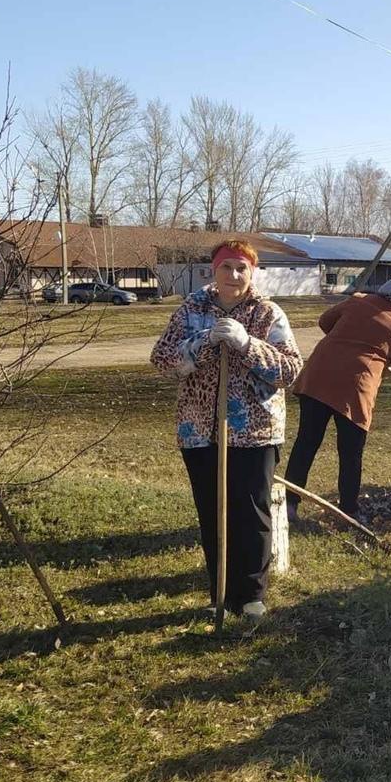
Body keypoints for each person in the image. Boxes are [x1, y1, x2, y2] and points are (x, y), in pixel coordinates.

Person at [151, 239, 303, 623]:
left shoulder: (268, 313)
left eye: (241, 268)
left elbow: (289, 370)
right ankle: (219, 590)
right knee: (212, 511)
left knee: (250, 512)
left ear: (252, 273)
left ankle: (250, 595)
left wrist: (246, 344)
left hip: (254, 429)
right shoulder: (191, 310)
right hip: (199, 429)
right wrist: (202, 342)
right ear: (213, 271)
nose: (233, 275)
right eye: (226, 267)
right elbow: (163, 360)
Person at [285, 276, 391, 522]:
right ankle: (349, 511)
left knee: (306, 443)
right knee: (350, 452)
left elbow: (325, 321)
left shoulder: (356, 302)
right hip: (354, 390)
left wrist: (346, 337)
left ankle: (289, 504)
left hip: (318, 375)